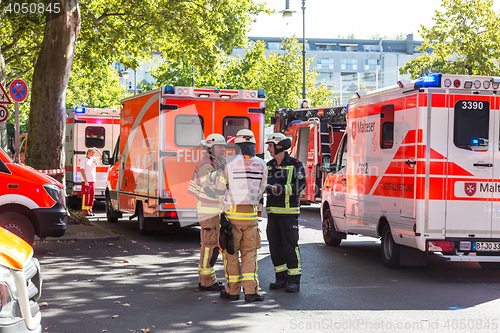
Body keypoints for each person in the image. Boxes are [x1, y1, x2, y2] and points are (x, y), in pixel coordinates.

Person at [212, 129, 267, 302]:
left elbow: (219, 189)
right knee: (250, 253)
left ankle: (232, 291)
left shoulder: (229, 163)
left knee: (231, 254)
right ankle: (251, 292)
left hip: (232, 217)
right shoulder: (262, 164)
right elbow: (263, 188)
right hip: (251, 216)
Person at [265, 133, 306, 293]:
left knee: (290, 247)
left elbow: (300, 184)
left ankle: (293, 281)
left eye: (270, 145)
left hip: (288, 214)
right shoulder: (268, 166)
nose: (268, 149)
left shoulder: (295, 164)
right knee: (275, 247)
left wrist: (281, 189)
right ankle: (280, 278)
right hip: (272, 214)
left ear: (279, 146)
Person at [187, 134, 227, 292]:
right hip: (209, 213)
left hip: (212, 212)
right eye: (219, 147)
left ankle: (209, 279)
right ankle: (206, 281)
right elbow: (212, 190)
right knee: (209, 247)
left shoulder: (215, 163)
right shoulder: (206, 165)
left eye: (224, 146)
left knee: (212, 246)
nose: (223, 149)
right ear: (210, 149)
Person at [80, 147, 102, 216]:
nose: (93, 154)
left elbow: (101, 157)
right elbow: (82, 170)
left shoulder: (93, 159)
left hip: (92, 180)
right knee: (86, 197)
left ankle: (90, 210)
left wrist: (98, 150)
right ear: (88, 152)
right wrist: (85, 180)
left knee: (92, 196)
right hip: (86, 181)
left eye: (94, 153)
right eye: (92, 153)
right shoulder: (83, 160)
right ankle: (85, 211)